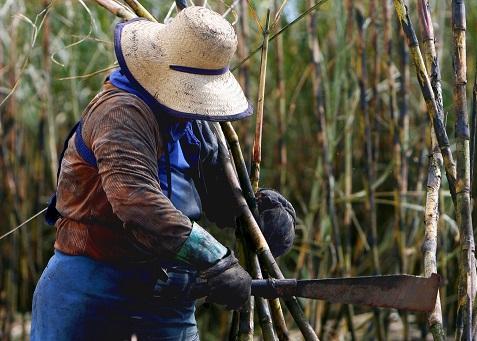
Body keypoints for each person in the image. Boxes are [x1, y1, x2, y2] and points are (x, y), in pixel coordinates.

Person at [30, 6, 296, 341]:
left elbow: (219, 200)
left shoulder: (195, 123)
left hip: (171, 290)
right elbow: (137, 202)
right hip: (92, 285)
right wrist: (219, 260)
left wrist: (260, 215)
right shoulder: (120, 113)